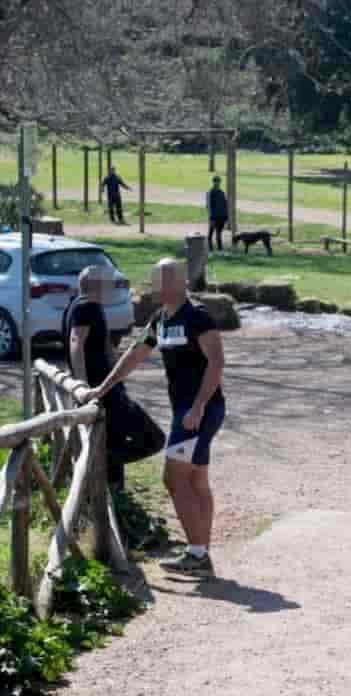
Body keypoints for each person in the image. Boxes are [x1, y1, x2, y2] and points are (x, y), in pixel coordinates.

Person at [82, 259, 226, 577]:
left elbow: (216, 361)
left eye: (159, 281)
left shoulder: (198, 317)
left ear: (177, 283)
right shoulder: (160, 320)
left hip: (198, 412)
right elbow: (134, 354)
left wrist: (199, 406)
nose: (153, 287)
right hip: (186, 412)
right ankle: (201, 551)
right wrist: (102, 388)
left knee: (174, 479)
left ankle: (197, 554)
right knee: (197, 479)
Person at [65, 266, 165, 492]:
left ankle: (113, 495)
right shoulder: (86, 306)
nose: (110, 287)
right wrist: (82, 385)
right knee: (154, 439)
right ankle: (98, 464)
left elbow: (102, 347)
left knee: (114, 440)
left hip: (106, 389)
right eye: (107, 283)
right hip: (104, 392)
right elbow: (75, 342)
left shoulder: (75, 305)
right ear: (96, 285)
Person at [206, 176, 229, 252]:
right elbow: (209, 206)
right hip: (214, 216)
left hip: (221, 216)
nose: (217, 183)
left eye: (218, 181)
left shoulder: (221, 193)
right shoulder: (211, 192)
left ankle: (220, 249)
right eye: (216, 181)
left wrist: (226, 217)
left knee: (218, 234)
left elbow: (225, 205)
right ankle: (211, 249)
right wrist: (211, 217)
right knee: (210, 234)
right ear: (213, 182)